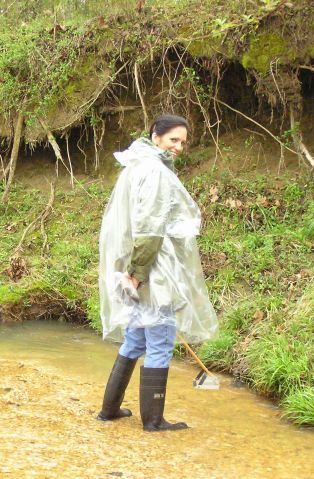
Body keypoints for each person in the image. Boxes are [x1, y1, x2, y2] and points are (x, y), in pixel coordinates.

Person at [97, 114, 218, 431]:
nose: (178, 147)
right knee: (161, 342)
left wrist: (130, 270)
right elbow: (150, 229)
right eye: (173, 140)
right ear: (156, 137)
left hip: (135, 264)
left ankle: (109, 410)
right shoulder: (155, 172)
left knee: (135, 339)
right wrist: (138, 273)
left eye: (182, 141)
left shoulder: (136, 165)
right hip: (151, 269)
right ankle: (153, 421)